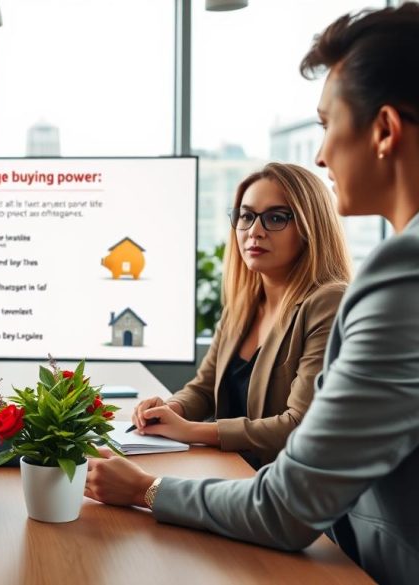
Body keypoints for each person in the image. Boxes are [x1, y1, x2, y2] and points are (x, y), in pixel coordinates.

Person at [85, 5, 419, 584]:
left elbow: (288, 508)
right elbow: (205, 390)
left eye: (326, 123)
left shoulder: (401, 273)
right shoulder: (251, 302)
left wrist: (148, 490)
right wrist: (175, 417)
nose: (319, 155)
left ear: (385, 130)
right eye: (245, 217)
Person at [130, 163, 351, 467]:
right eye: (246, 216)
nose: (254, 231)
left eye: (275, 217)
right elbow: (204, 389)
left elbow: (300, 424)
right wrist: (170, 410)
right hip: (232, 475)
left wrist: (191, 430)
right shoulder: (242, 305)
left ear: (310, 227)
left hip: (284, 491)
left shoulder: (329, 301)